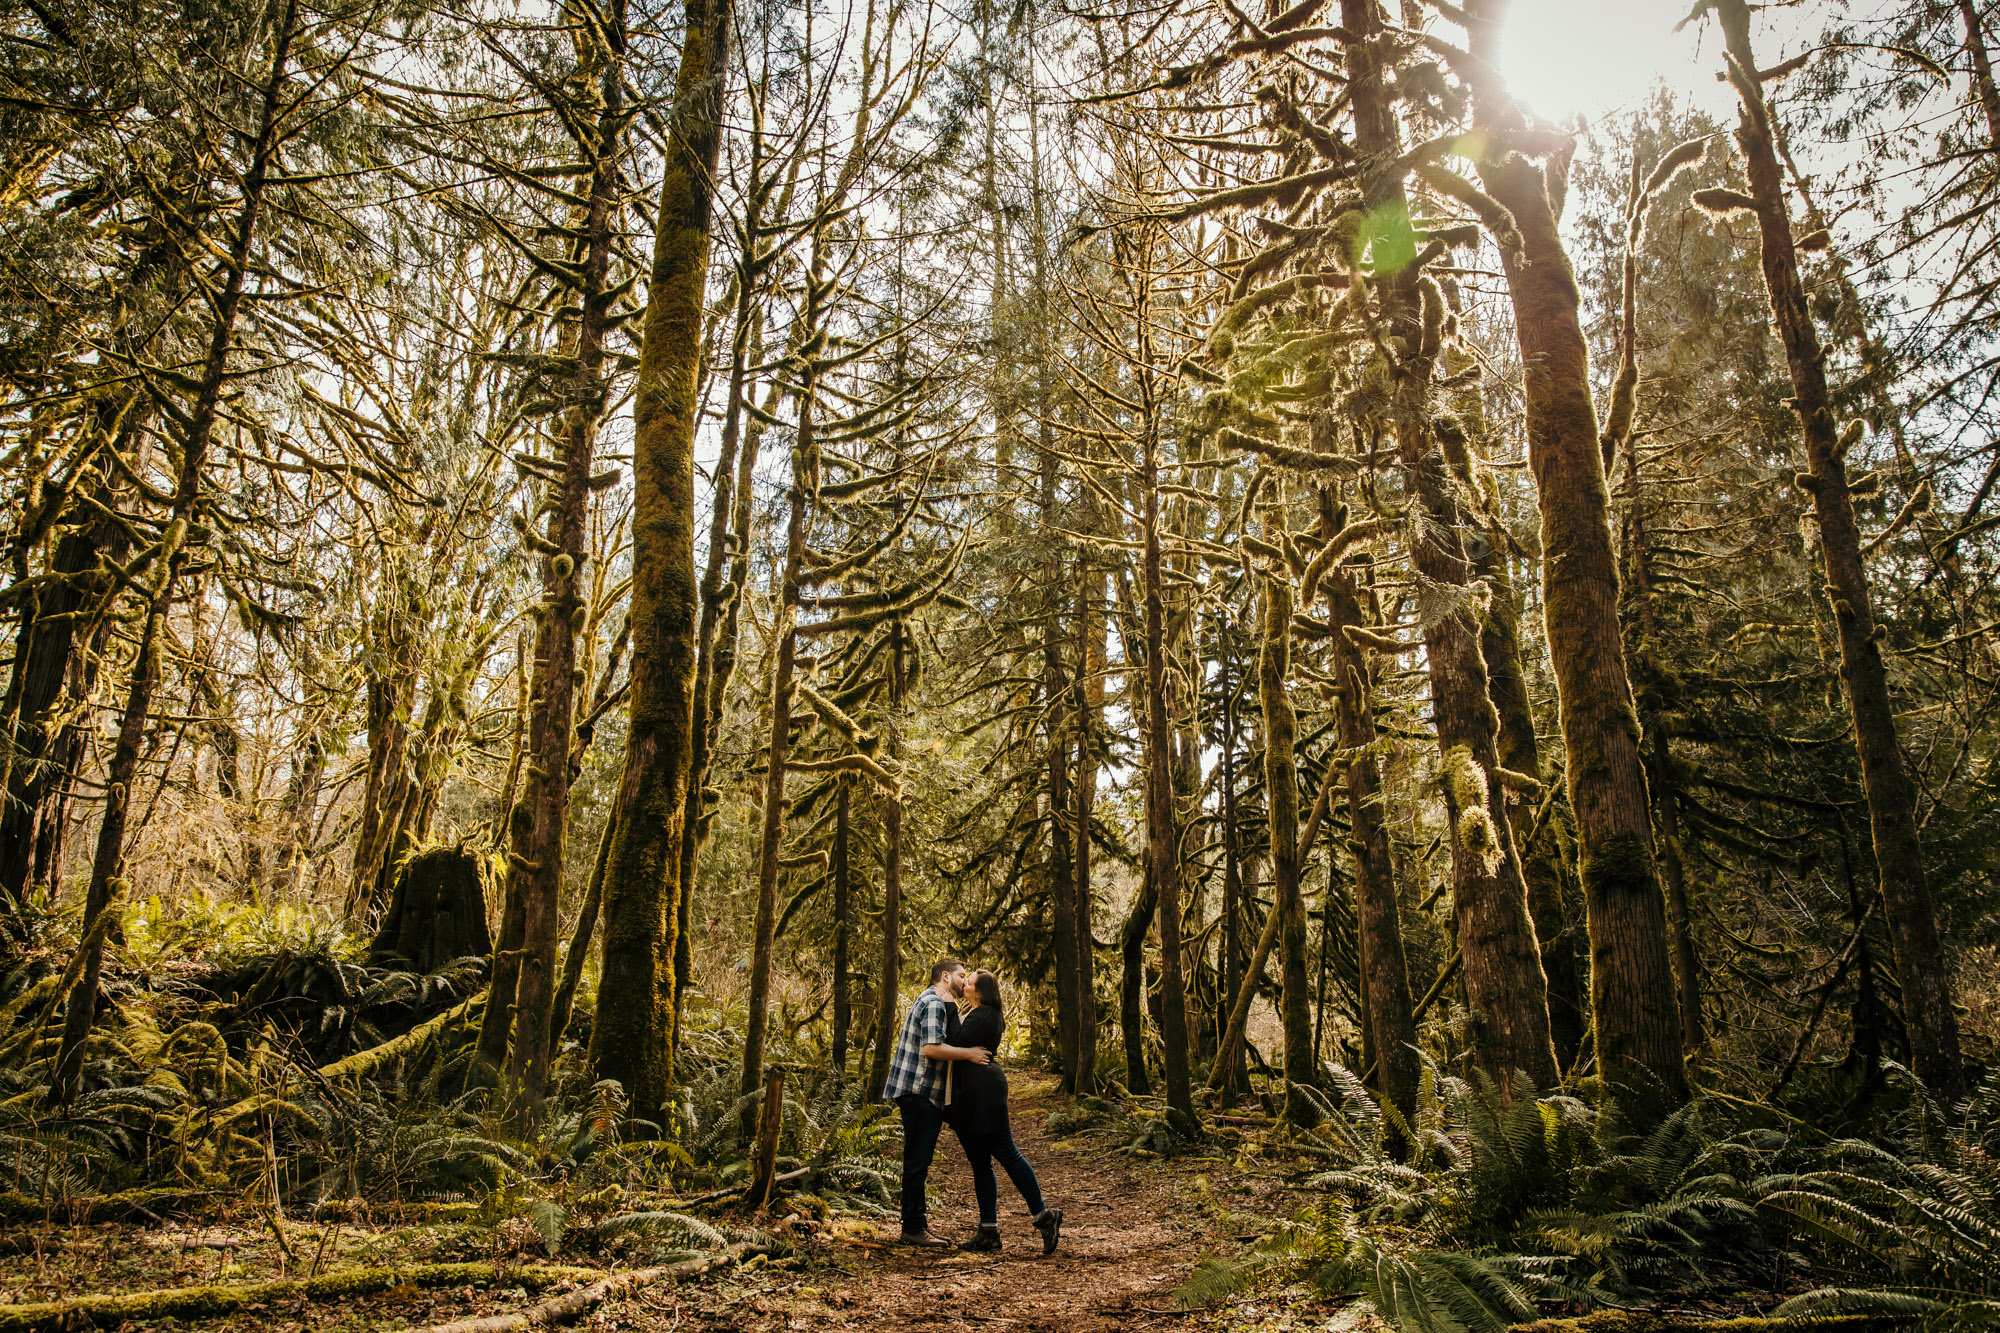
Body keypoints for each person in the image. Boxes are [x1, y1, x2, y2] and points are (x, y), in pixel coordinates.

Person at [946, 970, 1063, 1255]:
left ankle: (1044, 1216)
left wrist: (947, 1004)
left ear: (981, 992)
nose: (965, 985)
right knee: (980, 1163)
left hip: (984, 1094)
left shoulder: (985, 1013)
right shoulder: (975, 1011)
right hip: (970, 1095)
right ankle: (988, 1231)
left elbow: (958, 1038)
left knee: (1007, 1153)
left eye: (970, 983)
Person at [881, 957, 991, 1247]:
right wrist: (970, 1054)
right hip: (919, 1091)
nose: (965, 981)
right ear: (945, 977)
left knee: (918, 1159)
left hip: (922, 1092)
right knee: (917, 1161)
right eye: (962, 975)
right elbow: (931, 1048)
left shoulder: (938, 1002)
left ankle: (916, 1226)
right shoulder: (933, 1003)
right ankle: (913, 1229)